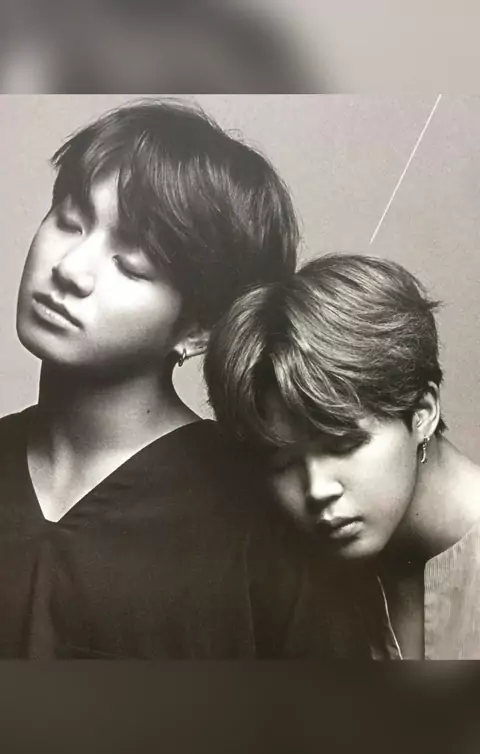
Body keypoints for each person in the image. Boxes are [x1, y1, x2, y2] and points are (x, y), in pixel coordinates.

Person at [0, 98, 336, 659]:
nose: (70, 269)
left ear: (201, 329)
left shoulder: (260, 521)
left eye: (131, 265)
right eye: (69, 221)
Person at [205, 253, 480, 659]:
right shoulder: (316, 568)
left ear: (423, 412)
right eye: (282, 463)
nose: (317, 490)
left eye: (342, 445)